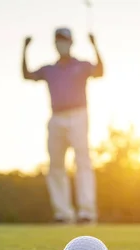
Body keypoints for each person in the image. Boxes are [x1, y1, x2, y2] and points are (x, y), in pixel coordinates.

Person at [22, 27, 104, 225]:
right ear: (55, 44)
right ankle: (63, 213)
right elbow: (26, 75)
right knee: (56, 165)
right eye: (59, 40)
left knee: (82, 161)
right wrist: (24, 49)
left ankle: (87, 212)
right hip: (56, 117)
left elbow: (100, 72)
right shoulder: (49, 69)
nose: (62, 43)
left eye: (65, 40)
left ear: (71, 42)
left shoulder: (82, 65)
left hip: (79, 114)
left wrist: (95, 44)